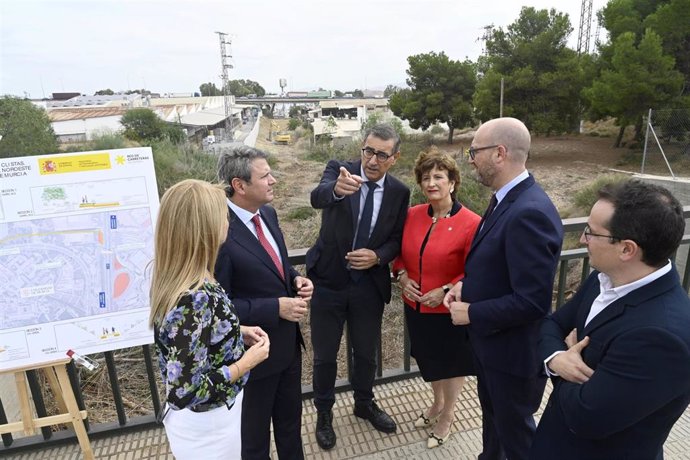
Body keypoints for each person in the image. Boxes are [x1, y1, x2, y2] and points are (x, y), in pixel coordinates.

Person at [529, 180, 690, 460]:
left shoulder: (662, 336)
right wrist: (556, 357)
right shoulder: (604, 278)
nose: (582, 239)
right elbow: (551, 324)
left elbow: (586, 417)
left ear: (627, 249)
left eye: (591, 232)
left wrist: (566, 362)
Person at [443, 117, 563, 460]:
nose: (469, 159)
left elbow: (532, 301)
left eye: (474, 151)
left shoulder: (529, 212)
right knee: (495, 426)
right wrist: (466, 286)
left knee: (517, 440)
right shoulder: (507, 199)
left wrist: (471, 312)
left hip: (512, 356)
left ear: (499, 153)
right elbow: (502, 267)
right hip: (493, 349)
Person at [149, 179, 270, 459]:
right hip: (209, 428)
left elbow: (191, 339)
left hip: (204, 423)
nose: (227, 221)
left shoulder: (176, 276)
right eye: (222, 215)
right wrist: (244, 364)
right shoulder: (195, 296)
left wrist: (235, 331)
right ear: (205, 229)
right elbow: (185, 392)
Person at [307, 123, 410, 450]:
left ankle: (364, 403)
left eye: (382, 154)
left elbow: (397, 239)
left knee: (366, 354)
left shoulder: (399, 192)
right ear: (361, 148)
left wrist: (378, 256)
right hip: (328, 282)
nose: (372, 160)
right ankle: (324, 413)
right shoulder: (340, 171)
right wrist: (337, 190)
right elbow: (316, 198)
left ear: (394, 158)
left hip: (368, 286)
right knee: (325, 356)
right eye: (368, 151)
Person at [214, 146, 314, 460]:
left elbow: (278, 265)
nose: (273, 180)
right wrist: (276, 307)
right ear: (239, 185)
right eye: (265, 175)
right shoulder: (220, 232)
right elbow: (218, 307)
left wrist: (296, 278)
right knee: (254, 440)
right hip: (251, 358)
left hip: (287, 349)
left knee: (290, 427)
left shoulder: (267, 214)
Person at [392, 147, 481, 448]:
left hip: (448, 312)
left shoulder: (472, 222)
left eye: (439, 177)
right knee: (430, 363)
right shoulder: (412, 216)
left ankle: (448, 415)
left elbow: (475, 270)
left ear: (453, 182)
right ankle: (436, 404)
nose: (432, 183)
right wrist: (402, 277)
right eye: (426, 177)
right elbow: (398, 256)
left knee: (452, 365)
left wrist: (444, 289)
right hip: (415, 307)